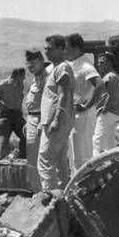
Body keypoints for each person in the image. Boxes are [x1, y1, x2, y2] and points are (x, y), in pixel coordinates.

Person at [38, 35, 76, 190]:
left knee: (45, 160)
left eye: (50, 48)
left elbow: (63, 94)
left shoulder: (62, 68)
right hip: (55, 120)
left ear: (61, 49)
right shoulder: (56, 68)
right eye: (45, 48)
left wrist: (56, 120)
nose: (46, 51)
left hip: (57, 120)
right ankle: (62, 197)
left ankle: (49, 197)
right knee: (60, 161)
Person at [64, 34, 105, 171]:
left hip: (84, 116)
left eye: (67, 48)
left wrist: (87, 105)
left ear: (76, 49)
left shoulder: (85, 65)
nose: (65, 51)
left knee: (82, 156)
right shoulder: (74, 64)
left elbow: (100, 85)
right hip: (74, 116)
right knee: (73, 154)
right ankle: (76, 186)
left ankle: (84, 187)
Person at [0, 68, 26, 158]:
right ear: (17, 76)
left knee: (25, 133)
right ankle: (0, 158)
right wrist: (0, 105)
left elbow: (20, 96)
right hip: (7, 114)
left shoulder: (20, 85)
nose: (24, 78)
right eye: (22, 76)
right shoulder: (3, 84)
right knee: (4, 137)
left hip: (17, 114)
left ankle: (23, 157)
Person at [24, 49, 48, 190]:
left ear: (41, 60)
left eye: (33, 62)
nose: (30, 66)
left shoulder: (46, 79)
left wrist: (40, 122)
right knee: (32, 159)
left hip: (40, 119)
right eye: (28, 63)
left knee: (41, 158)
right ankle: (36, 191)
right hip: (32, 118)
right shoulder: (35, 79)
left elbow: (48, 102)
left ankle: (44, 191)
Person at [92, 52, 119, 154]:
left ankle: (96, 166)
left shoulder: (109, 77)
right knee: (110, 143)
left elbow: (111, 95)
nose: (99, 65)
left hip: (108, 113)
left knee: (97, 141)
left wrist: (104, 109)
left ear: (109, 63)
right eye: (98, 63)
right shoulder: (115, 75)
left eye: (102, 62)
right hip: (115, 112)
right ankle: (113, 164)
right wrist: (115, 101)